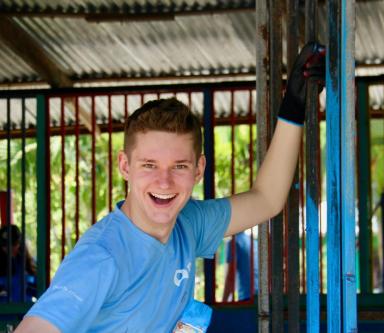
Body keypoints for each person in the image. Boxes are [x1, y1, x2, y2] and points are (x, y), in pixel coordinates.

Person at [14, 42, 325, 333]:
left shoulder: (188, 225)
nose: (164, 182)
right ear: (125, 166)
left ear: (198, 170)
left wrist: (294, 105)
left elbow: (267, 200)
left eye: (179, 166)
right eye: (149, 165)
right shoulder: (102, 258)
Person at [0, 224, 37, 302]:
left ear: (20, 243)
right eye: (5, 245)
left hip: (26, 312)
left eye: (13, 244)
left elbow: (40, 291)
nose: (9, 248)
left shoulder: (29, 264)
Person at [222, 232, 258, 302]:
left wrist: (223, 303)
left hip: (246, 297)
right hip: (260, 297)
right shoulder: (254, 242)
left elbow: (231, 277)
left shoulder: (234, 243)